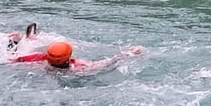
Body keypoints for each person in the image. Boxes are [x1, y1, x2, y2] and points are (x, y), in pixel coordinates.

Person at [12, 41, 145, 72]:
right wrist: (130, 53)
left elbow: (16, 59)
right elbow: (107, 63)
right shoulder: (78, 67)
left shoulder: (38, 59)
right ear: (69, 56)